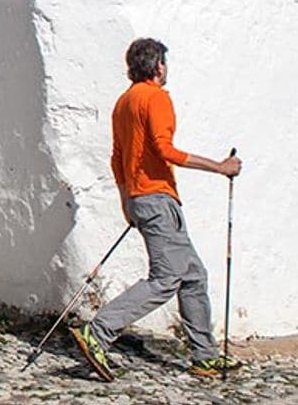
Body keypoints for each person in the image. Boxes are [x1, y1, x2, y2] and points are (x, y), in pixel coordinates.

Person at [69, 37, 243, 381]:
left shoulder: (123, 103)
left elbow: (117, 158)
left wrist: (126, 201)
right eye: (164, 62)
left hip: (140, 198)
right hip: (158, 198)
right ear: (158, 65)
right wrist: (220, 167)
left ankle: (204, 355)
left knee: (193, 274)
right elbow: (166, 150)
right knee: (166, 279)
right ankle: (99, 331)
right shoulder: (156, 97)